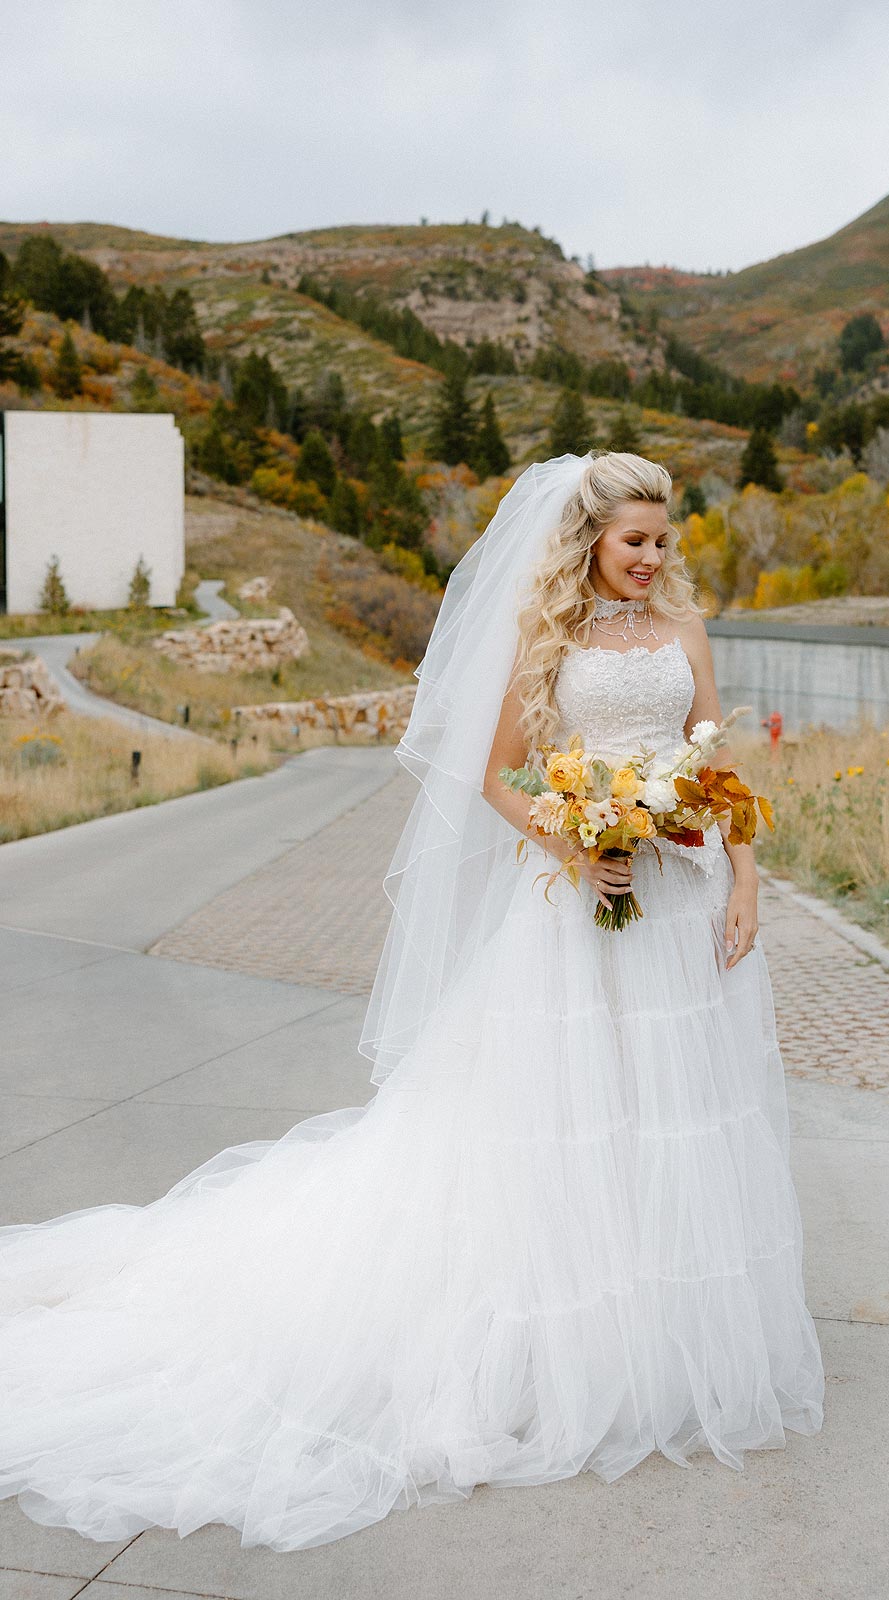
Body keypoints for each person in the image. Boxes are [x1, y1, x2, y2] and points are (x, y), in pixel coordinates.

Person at [0, 450, 824, 1553]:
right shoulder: (546, 641)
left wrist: (742, 882)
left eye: (661, 541)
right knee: (567, 1121)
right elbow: (493, 778)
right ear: (587, 542)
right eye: (633, 541)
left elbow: (712, 766)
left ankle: (656, 1334)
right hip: (578, 912)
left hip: (678, 912)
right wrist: (578, 842)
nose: (651, 559)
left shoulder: (684, 634)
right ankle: (562, 1346)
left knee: (666, 1119)